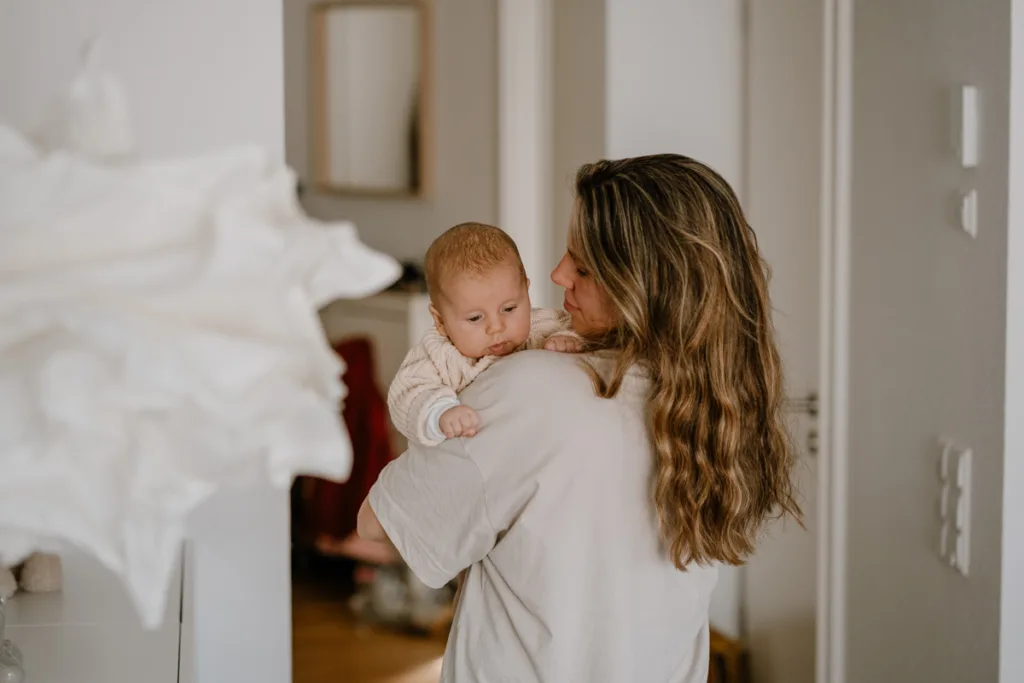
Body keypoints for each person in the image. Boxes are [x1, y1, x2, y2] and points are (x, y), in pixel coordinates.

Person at [358, 154, 800, 683]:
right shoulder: (721, 406)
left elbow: (380, 524)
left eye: (583, 265)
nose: (556, 273)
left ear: (643, 287)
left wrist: (443, 404)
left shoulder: (530, 387)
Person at [388, 222, 582, 446]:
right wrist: (439, 413)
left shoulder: (545, 326)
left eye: (508, 309)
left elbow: (586, 332)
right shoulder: (439, 354)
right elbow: (407, 393)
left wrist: (571, 340)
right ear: (440, 320)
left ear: (526, 294)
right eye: (475, 318)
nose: (496, 327)